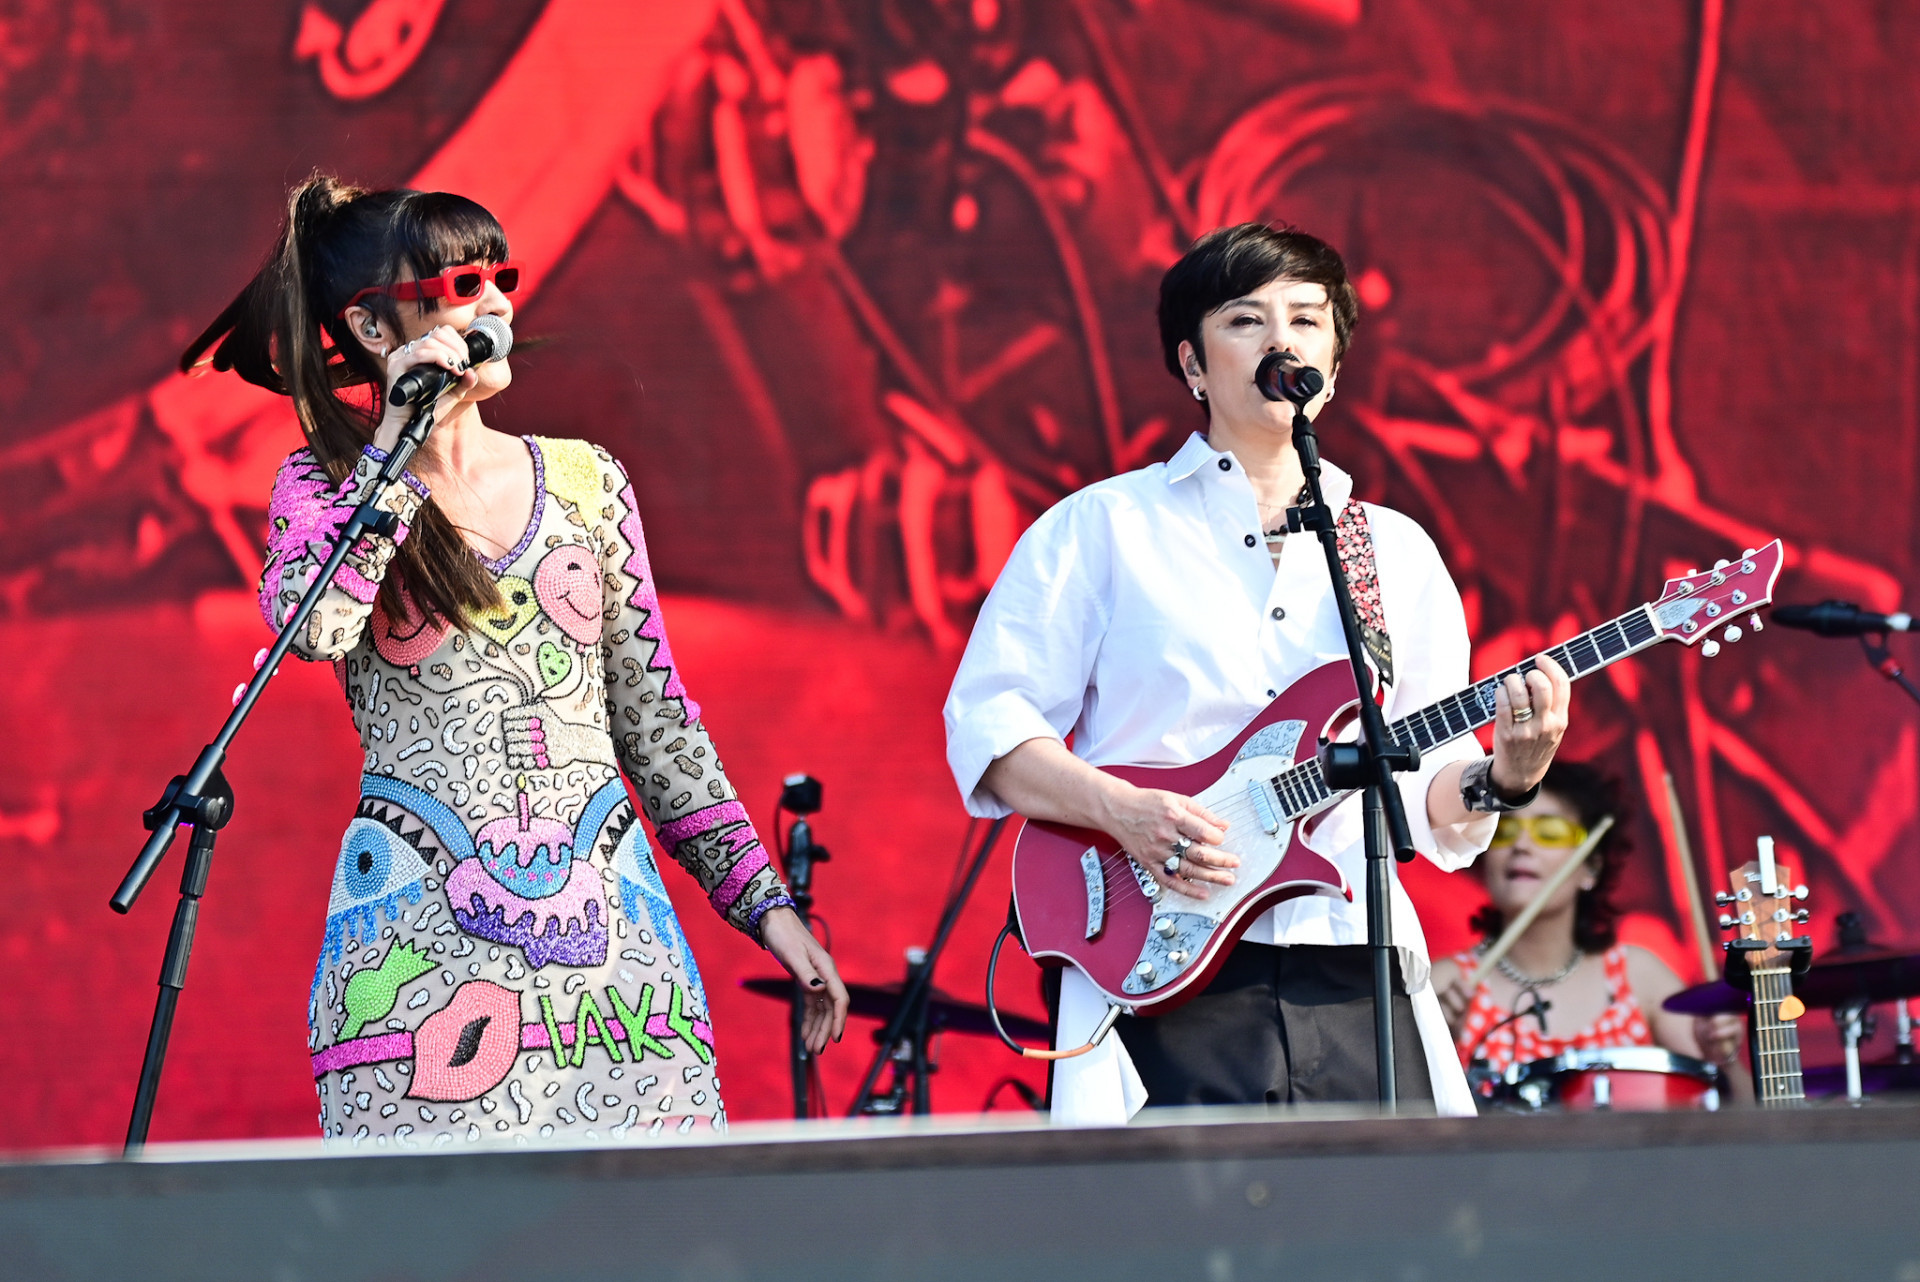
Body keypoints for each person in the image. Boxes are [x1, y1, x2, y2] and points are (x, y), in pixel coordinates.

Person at [181, 175, 847, 1145]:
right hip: (416, 960)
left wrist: (770, 912)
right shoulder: (320, 484)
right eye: (460, 284)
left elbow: (655, 722)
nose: (493, 303)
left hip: (616, 963)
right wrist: (396, 447)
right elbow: (313, 626)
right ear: (374, 327)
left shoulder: (587, 479)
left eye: (503, 276)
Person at [944, 222, 1569, 1121]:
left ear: (1335, 363)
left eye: (1307, 320)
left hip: (1352, 952)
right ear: (1194, 366)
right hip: (1158, 950)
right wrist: (1127, 811)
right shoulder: (1102, 528)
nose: (1282, 341)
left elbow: (1428, 788)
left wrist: (1507, 776)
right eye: (1246, 320)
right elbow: (991, 729)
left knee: (1389, 1245)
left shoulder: (1392, 551)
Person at [1431, 760, 1745, 1085]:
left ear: (1591, 867)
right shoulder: (1445, 987)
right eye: (1504, 831)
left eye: (1550, 832)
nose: (1521, 846)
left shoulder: (1638, 977)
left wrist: (1722, 1058)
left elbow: (1734, 1112)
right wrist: (1430, 1049)